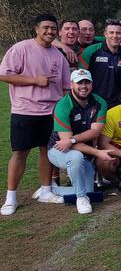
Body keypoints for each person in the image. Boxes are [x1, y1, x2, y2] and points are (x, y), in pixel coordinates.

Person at [0, 13, 71, 216]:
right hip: (25, 111)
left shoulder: (59, 56)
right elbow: (4, 74)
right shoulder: (21, 48)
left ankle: (46, 191)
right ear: (36, 29)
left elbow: (66, 88)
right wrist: (33, 80)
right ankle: (10, 197)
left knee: (46, 152)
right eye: (45, 28)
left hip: (51, 113)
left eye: (53, 28)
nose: (49, 31)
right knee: (20, 153)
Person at [47, 69, 112, 214]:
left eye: (87, 82)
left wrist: (73, 139)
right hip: (58, 149)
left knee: (89, 189)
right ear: (71, 85)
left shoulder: (99, 102)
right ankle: (81, 198)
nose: (83, 86)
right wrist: (97, 152)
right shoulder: (63, 105)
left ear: (92, 84)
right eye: (79, 83)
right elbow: (65, 142)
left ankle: (53, 190)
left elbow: (95, 131)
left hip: (79, 148)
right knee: (75, 158)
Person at [79, 19, 121, 108]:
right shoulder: (90, 51)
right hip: (93, 103)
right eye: (111, 33)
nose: (115, 36)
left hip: (117, 104)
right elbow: (80, 78)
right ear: (105, 34)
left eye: (118, 33)